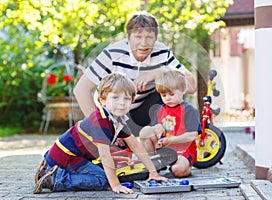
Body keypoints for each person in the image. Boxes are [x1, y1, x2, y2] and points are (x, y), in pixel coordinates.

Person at [34, 73, 168, 194]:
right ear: (102, 100)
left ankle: (50, 169)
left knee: (107, 172)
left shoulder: (118, 119)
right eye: (115, 98)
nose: (121, 103)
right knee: (102, 179)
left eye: (126, 99)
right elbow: (104, 156)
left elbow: (136, 145)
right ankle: (54, 179)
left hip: (72, 157)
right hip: (66, 158)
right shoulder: (100, 121)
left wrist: (153, 172)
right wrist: (115, 185)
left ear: (132, 101)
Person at [73, 11, 197, 138]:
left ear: (155, 38)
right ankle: (118, 137)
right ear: (128, 36)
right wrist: (101, 129)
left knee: (167, 87)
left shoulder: (161, 52)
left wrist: (157, 72)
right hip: (113, 115)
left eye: (149, 37)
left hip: (143, 115)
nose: (143, 43)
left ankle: (164, 141)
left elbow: (191, 86)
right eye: (138, 37)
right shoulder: (113, 53)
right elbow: (81, 90)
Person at [139, 69, 201, 177]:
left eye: (171, 94)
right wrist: (157, 129)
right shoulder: (160, 109)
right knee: (145, 131)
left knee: (178, 170)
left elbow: (193, 135)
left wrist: (173, 140)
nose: (167, 98)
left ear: (183, 90)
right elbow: (154, 128)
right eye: (163, 95)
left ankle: (183, 167)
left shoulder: (189, 110)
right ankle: (152, 164)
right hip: (164, 150)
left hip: (183, 151)